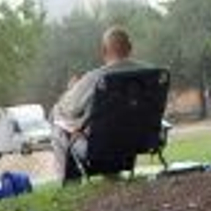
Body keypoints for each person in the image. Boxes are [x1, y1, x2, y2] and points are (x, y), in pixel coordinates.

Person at [50, 26, 142, 180]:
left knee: (58, 122)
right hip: (137, 143)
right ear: (130, 48)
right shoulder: (150, 75)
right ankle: (112, 175)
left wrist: (72, 89)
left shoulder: (96, 78)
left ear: (104, 51)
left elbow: (67, 108)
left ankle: (69, 185)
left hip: (99, 148)